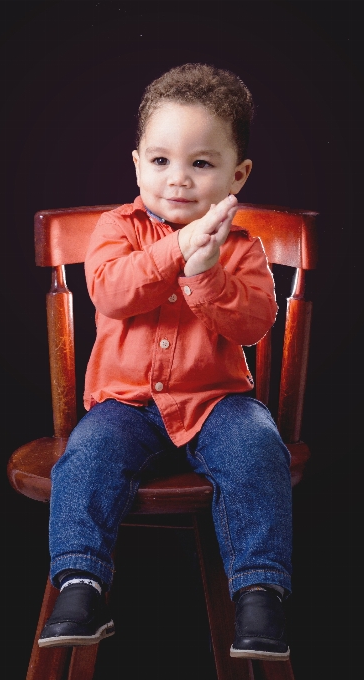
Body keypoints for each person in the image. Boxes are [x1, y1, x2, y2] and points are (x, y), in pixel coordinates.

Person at [38, 63, 292, 661]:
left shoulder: (242, 247)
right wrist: (177, 249)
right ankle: (79, 584)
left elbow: (254, 323)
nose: (178, 180)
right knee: (88, 454)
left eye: (201, 164)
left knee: (258, 446)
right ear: (136, 164)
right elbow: (112, 292)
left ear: (238, 173)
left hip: (217, 403)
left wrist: (206, 274)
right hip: (124, 405)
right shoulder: (115, 230)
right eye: (160, 161)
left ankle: (258, 592)